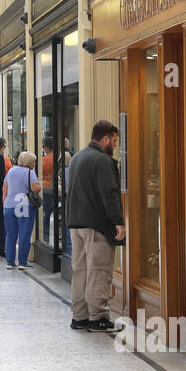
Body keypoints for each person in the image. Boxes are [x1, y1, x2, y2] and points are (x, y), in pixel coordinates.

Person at [66, 120, 125, 332]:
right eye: (114, 141)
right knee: (99, 270)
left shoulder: (77, 158)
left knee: (80, 269)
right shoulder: (102, 160)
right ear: (106, 139)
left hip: (76, 223)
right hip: (97, 224)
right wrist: (118, 221)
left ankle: (80, 316)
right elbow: (109, 194)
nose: (115, 146)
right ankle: (99, 317)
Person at [3, 151, 42, 270]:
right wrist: (40, 186)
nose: (35, 163)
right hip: (23, 206)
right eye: (34, 161)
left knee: (10, 235)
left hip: (9, 206)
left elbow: (4, 189)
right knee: (24, 234)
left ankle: (9, 261)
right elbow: (35, 188)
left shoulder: (10, 171)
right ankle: (22, 262)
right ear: (29, 162)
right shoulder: (30, 172)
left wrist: (4, 205)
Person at [40, 137, 55, 238]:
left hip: (45, 188)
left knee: (45, 214)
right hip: (55, 187)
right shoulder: (58, 158)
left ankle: (45, 236)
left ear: (46, 147)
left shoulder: (43, 160)